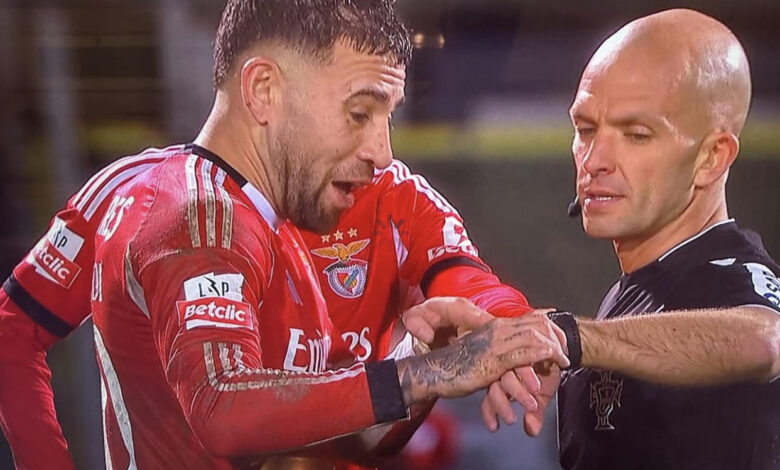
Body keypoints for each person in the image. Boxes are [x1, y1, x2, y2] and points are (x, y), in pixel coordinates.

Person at [0, 1, 563, 469]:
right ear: (263, 89)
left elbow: (349, 434)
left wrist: (431, 355)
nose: (382, 151)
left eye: (387, 116)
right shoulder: (202, 215)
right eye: (359, 113)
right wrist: (423, 373)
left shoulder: (274, 219)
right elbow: (225, 410)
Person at [463, 8, 779, 470]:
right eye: (585, 129)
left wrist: (570, 338)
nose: (594, 160)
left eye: (636, 135)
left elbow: (767, 340)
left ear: (712, 157)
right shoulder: (630, 295)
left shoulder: (732, 273)